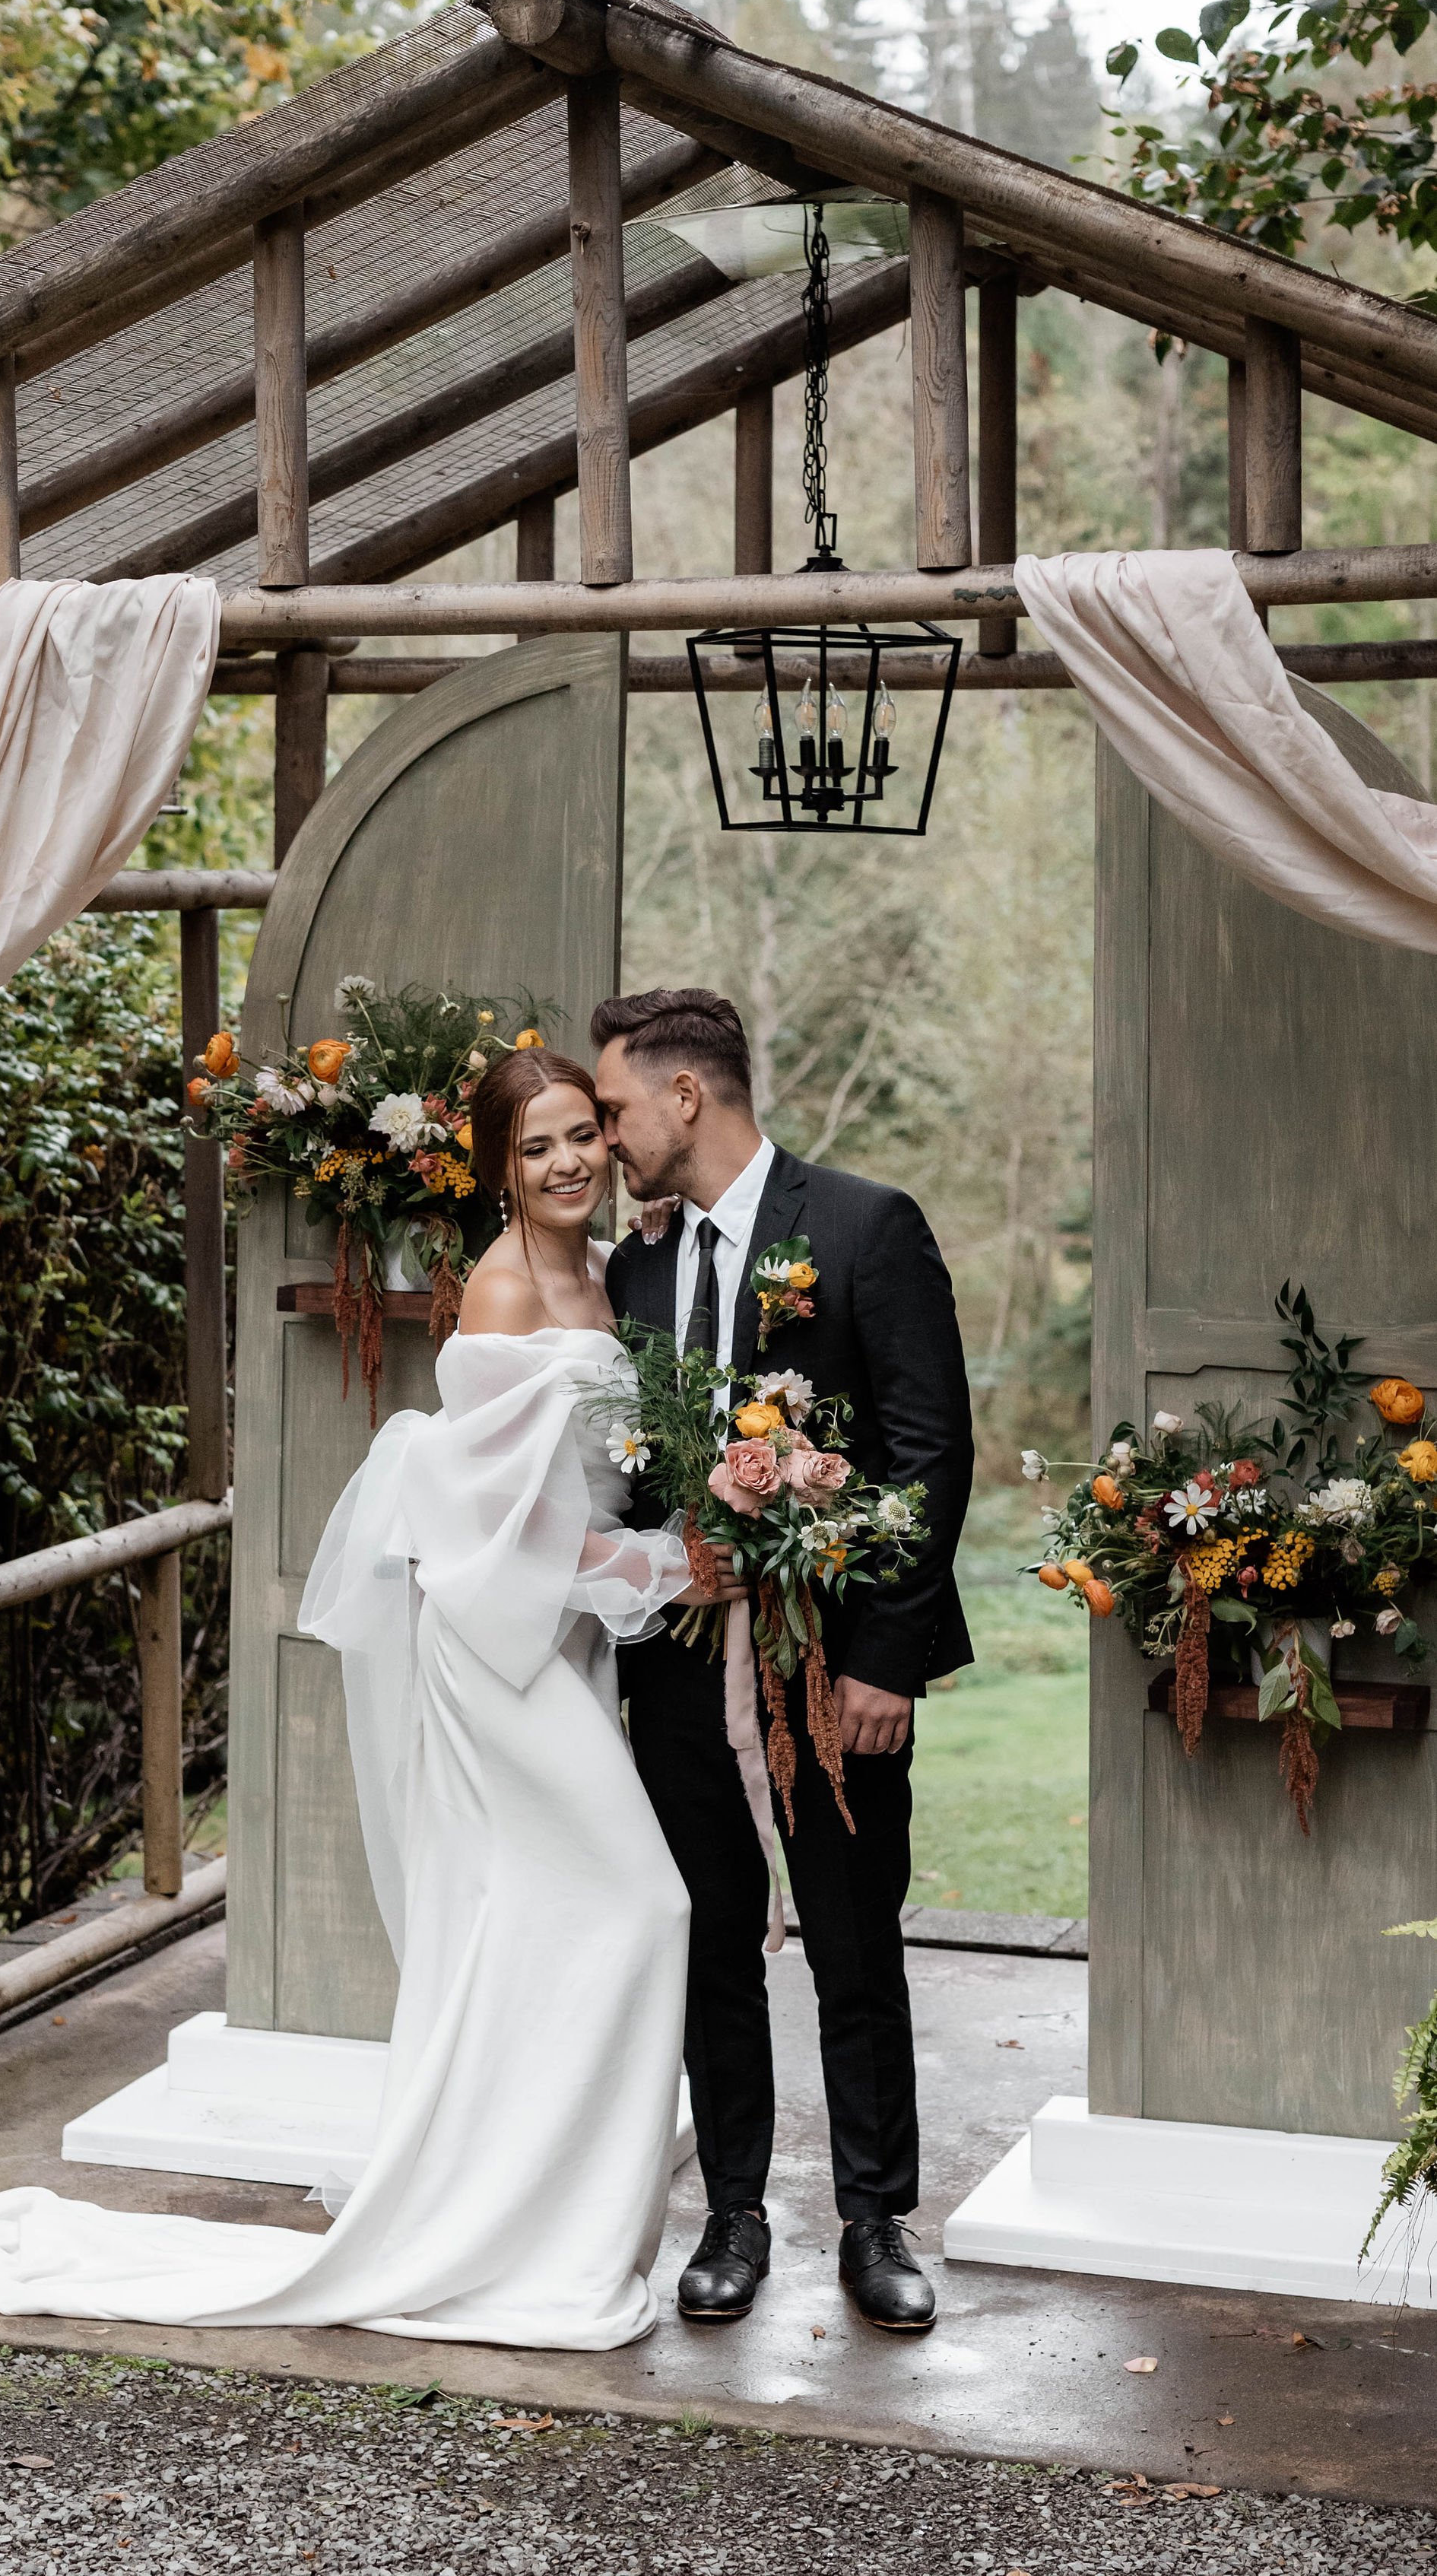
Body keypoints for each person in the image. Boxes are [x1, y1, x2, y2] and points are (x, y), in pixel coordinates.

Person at [0, 1047, 725, 2350]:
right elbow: (496, 1539)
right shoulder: (510, 1288)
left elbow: (592, 1477)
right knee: (642, 1902)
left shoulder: (605, 1270)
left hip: (562, 1646)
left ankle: (553, 2217)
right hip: (499, 1648)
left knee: (539, 1926)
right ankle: (527, 2227)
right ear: (498, 1168)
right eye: (537, 1149)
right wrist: (671, 1566)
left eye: (583, 1134)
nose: (569, 1160)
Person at [594, 986, 974, 2336]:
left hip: (832, 1671)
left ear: (688, 1096)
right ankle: (736, 2213)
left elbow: (930, 1454)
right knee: (709, 1936)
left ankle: (876, 2220)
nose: (608, 1134)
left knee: (855, 1937)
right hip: (682, 1669)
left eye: (619, 1107)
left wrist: (883, 1658)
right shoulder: (631, 1268)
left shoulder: (868, 1227)